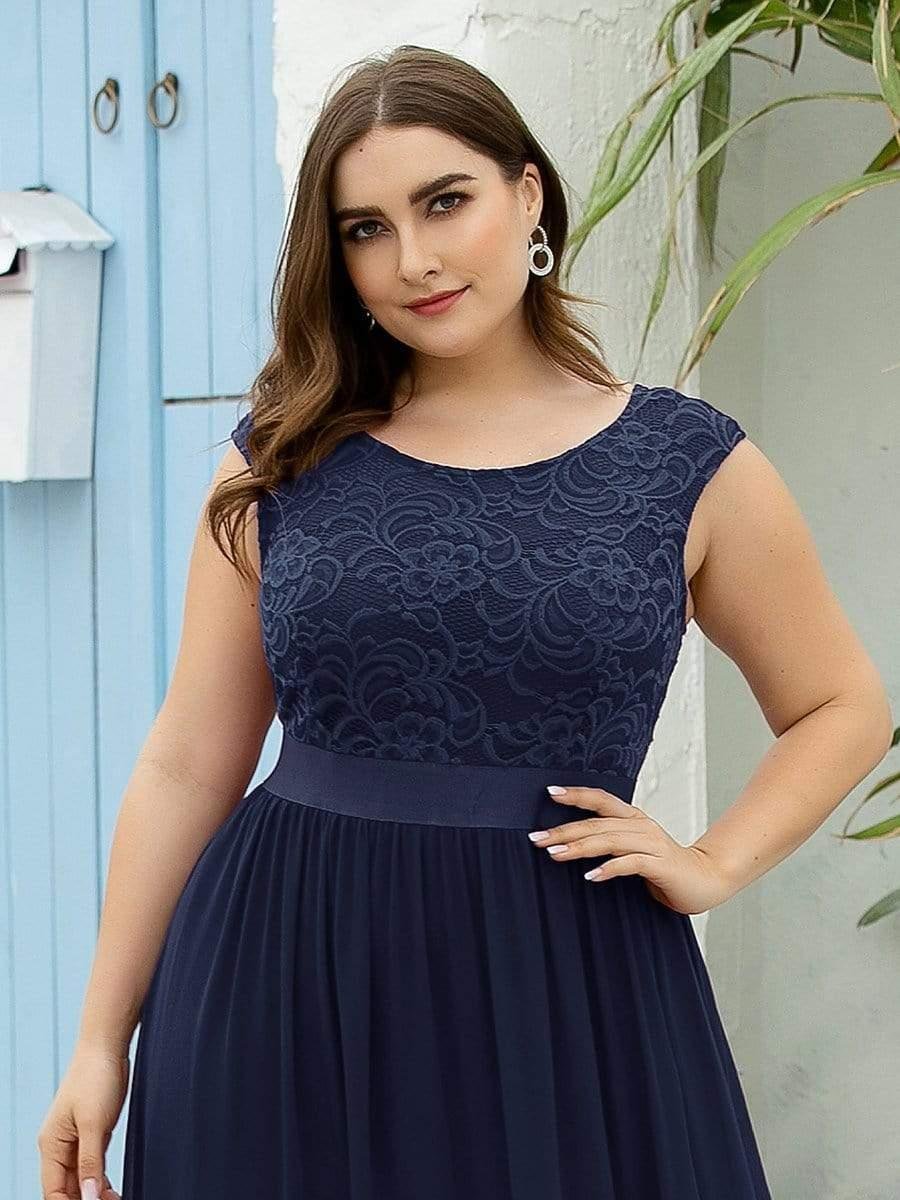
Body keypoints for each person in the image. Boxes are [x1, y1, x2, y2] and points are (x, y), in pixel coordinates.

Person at [39, 45, 892, 1200]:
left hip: (568, 995)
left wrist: (711, 862)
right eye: (366, 229)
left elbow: (841, 704)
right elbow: (189, 760)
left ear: (528, 194)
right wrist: (101, 1041)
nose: (415, 259)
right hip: (284, 982)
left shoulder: (683, 462)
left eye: (446, 202)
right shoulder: (283, 458)